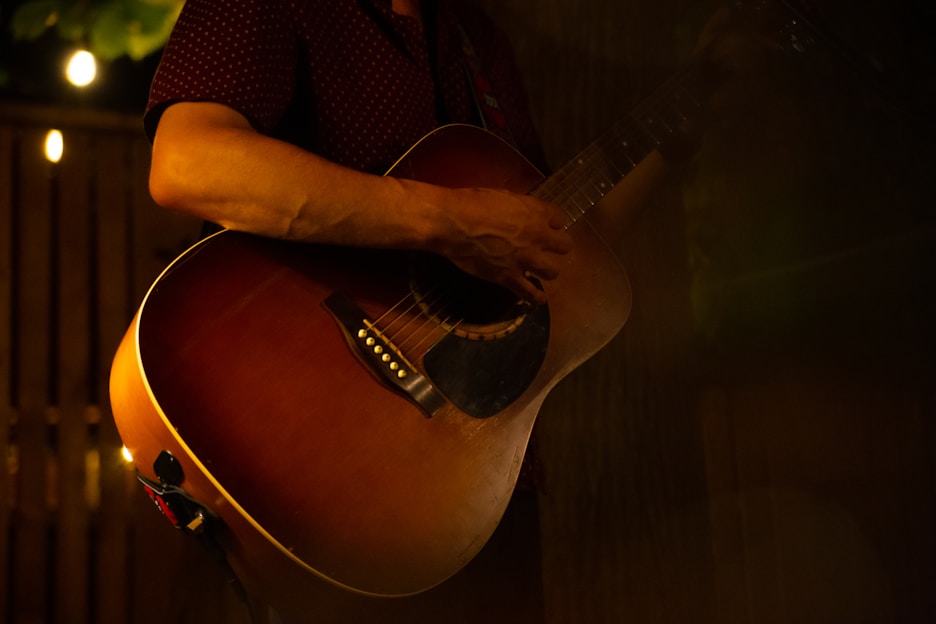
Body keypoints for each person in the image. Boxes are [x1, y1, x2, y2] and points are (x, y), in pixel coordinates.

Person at [143, 0, 694, 621]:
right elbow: (188, 163)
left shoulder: (475, 40)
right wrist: (448, 222)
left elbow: (551, 247)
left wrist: (688, 115)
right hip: (303, 464)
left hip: (469, 483)